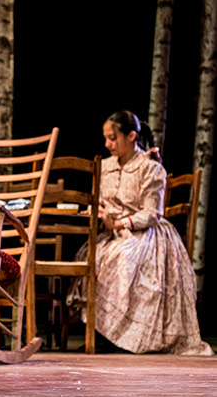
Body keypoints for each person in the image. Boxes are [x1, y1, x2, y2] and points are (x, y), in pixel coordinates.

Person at [87, 110, 213, 355]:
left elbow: (151, 213)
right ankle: (100, 333)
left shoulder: (150, 168)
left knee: (123, 259)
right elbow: (98, 201)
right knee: (90, 257)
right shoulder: (104, 167)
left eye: (113, 138)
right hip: (110, 232)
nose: (107, 144)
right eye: (106, 138)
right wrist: (99, 213)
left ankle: (127, 337)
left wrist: (120, 223)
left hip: (145, 233)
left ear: (131, 135)